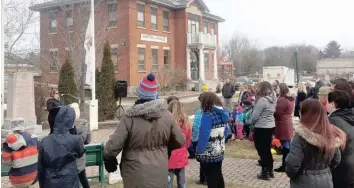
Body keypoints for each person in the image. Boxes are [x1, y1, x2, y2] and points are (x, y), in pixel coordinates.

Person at [103, 73, 185, 188]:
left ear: (139, 93)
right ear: (154, 94)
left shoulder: (129, 117)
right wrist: (166, 149)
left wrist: (108, 157)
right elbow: (180, 139)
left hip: (134, 175)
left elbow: (113, 145)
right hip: (159, 173)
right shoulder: (167, 116)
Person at [285, 99, 346, 188]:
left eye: (301, 111)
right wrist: (324, 171)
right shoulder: (330, 135)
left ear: (306, 114)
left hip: (303, 181)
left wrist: (296, 176)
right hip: (326, 181)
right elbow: (336, 159)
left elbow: (292, 165)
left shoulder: (300, 137)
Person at [38, 106, 85, 188]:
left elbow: (41, 168)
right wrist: (73, 131)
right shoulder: (75, 139)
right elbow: (80, 152)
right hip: (70, 182)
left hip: (50, 182)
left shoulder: (44, 141)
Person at [196, 92, 229, 188]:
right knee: (218, 174)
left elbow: (204, 135)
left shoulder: (207, 116)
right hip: (219, 150)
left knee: (211, 178)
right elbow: (226, 131)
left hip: (209, 152)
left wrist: (199, 151)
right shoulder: (223, 114)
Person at [327, 90, 354, 188]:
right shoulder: (350, 116)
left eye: (327, 102)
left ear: (333, 104)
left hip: (341, 169)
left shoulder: (332, 121)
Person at [250, 81, 276, 180]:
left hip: (261, 127)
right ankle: (270, 170)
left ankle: (265, 172)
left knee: (262, 150)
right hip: (270, 126)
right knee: (267, 149)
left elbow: (255, 116)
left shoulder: (262, 100)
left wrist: (252, 123)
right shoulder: (273, 99)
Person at [167, 101, 192, 188]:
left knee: (168, 180)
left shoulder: (167, 122)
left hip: (169, 155)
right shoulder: (186, 121)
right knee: (181, 181)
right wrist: (185, 148)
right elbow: (189, 138)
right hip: (181, 154)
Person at [69, 103, 92, 188]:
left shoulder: (66, 125)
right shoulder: (85, 124)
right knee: (82, 177)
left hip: (70, 157)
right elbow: (88, 140)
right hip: (81, 156)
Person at [274, 83, 295, 172]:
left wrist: (273, 114)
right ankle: (287, 164)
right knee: (287, 144)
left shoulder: (282, 99)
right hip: (287, 122)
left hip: (282, 123)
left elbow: (278, 113)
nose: (276, 89)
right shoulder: (289, 98)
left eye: (278, 88)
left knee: (286, 146)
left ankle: (285, 165)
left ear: (282, 89)